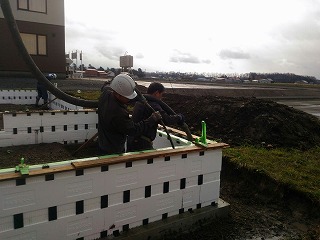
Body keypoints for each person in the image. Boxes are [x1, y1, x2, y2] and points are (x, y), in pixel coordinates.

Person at [97, 73, 162, 155]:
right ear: (118, 94)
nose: (129, 99)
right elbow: (133, 130)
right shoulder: (118, 113)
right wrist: (150, 120)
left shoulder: (106, 93)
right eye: (127, 97)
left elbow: (106, 86)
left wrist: (117, 81)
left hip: (102, 143)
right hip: (113, 151)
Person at [127, 82, 185, 152]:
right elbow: (166, 120)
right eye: (161, 94)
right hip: (142, 143)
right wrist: (179, 117)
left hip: (132, 140)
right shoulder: (153, 105)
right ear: (157, 93)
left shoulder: (139, 102)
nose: (161, 97)